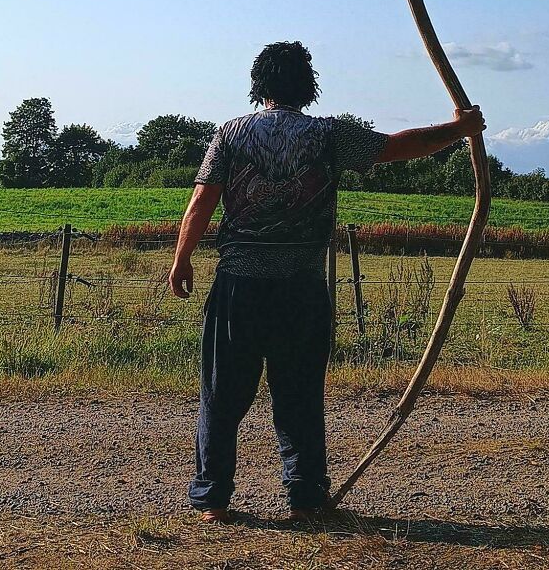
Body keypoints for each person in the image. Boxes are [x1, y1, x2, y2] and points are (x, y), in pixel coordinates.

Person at [168, 40, 485, 522]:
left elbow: (201, 202)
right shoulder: (327, 135)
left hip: (239, 287)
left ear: (260, 86)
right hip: (301, 288)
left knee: (222, 392)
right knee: (298, 395)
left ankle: (212, 498)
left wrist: (183, 258)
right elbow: (401, 146)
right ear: (307, 85)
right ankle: (306, 497)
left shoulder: (230, 134)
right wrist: (459, 130)